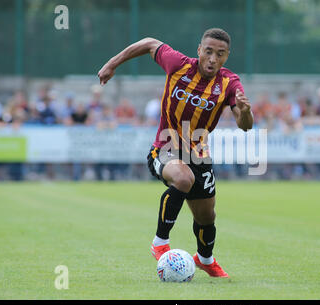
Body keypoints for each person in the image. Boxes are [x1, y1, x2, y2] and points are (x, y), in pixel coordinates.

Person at [98, 28, 253, 278]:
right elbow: (149, 42)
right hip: (165, 148)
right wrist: (112, 64)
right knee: (183, 178)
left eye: (220, 54)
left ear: (227, 56)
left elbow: (245, 126)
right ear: (199, 50)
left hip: (199, 155)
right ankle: (160, 243)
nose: (213, 58)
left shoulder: (229, 83)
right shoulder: (178, 64)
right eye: (209, 51)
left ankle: (204, 259)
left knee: (207, 217)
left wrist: (245, 111)